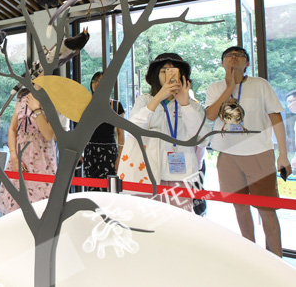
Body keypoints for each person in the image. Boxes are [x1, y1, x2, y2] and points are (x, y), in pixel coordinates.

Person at [205, 46, 292, 256]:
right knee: (240, 207)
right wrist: (229, 87)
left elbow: (276, 118)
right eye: (229, 56)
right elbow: (211, 115)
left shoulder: (260, 84)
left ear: (247, 63)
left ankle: (276, 258)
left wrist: (283, 154)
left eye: (239, 55)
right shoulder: (215, 87)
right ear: (223, 63)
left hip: (259, 152)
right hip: (227, 154)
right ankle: (251, 256)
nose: (233, 58)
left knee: (266, 209)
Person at [117, 53, 207, 210]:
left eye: (174, 71)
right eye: (164, 71)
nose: (169, 76)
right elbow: (131, 131)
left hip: (181, 176)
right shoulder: (145, 100)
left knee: (178, 220)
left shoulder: (192, 105)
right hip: (146, 175)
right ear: (155, 75)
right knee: (146, 220)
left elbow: (203, 139)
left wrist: (185, 105)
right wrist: (157, 98)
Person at [0, 72, 58, 214]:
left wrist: (37, 109)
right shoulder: (22, 96)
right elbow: (12, 129)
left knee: (41, 208)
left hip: (42, 159)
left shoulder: (53, 98)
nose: (42, 72)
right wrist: (13, 156)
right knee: (16, 207)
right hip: (19, 157)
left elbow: (48, 134)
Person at [83, 71, 125, 191]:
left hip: (109, 150)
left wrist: (120, 155)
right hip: (90, 150)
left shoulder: (116, 105)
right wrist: (79, 153)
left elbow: (121, 133)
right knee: (91, 188)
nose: (96, 84)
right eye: (94, 81)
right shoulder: (85, 105)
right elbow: (80, 131)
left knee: (109, 187)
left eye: (100, 81)